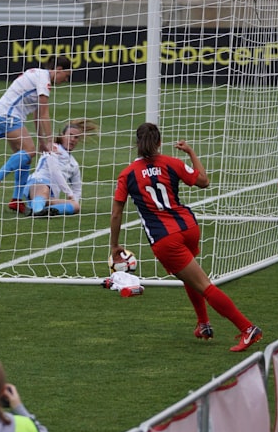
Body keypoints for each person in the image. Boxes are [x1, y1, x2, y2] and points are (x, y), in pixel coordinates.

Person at [109, 122, 264, 351]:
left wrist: (114, 245)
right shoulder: (173, 163)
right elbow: (203, 181)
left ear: (137, 145)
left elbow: (116, 213)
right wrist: (191, 152)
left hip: (165, 239)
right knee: (190, 278)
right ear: (159, 142)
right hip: (189, 227)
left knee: (204, 285)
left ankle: (248, 329)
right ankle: (203, 324)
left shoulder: (128, 174)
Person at [0, 56, 72, 213]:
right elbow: (44, 115)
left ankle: (16, 200)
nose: (65, 80)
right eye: (66, 76)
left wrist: (42, 142)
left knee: (23, 158)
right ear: (58, 70)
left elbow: (37, 115)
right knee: (30, 151)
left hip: (2, 115)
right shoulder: (44, 80)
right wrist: (51, 141)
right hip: (8, 116)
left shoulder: (39, 76)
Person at [23, 118, 97, 217]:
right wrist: (69, 193)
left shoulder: (73, 164)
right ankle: (37, 209)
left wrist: (74, 199)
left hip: (52, 196)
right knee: (43, 190)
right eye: (70, 135)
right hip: (39, 182)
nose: (73, 139)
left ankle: (41, 210)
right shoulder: (53, 148)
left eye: (76, 137)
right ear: (62, 136)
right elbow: (55, 172)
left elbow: (77, 187)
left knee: (75, 206)